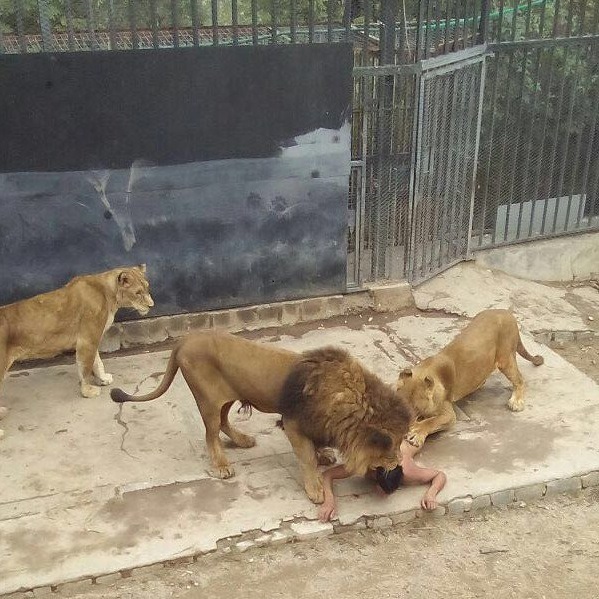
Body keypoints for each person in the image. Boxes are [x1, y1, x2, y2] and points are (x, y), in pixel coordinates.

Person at [317, 439, 447, 523]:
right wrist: (329, 501)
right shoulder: (366, 465)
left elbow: (439, 475)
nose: (384, 495)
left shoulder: (408, 472)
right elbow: (327, 475)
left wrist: (431, 494)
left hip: (409, 441)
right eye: (383, 489)